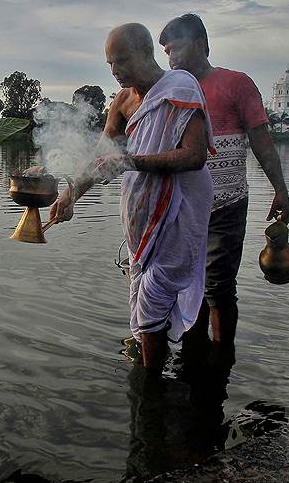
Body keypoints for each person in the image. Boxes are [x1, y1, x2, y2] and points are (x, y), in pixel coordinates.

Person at [49, 23, 214, 374]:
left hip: (179, 213)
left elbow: (194, 156)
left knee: (153, 299)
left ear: (144, 53)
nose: (115, 71)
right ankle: (155, 372)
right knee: (143, 301)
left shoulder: (180, 88)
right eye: (109, 63)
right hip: (141, 217)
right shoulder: (122, 102)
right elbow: (99, 157)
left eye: (121, 61)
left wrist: (129, 162)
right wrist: (69, 195)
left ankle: (150, 384)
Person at [159, 13, 289, 366]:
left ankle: (221, 360)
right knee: (186, 283)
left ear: (201, 43)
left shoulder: (235, 83)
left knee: (218, 287)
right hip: (181, 206)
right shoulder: (169, 90)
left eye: (176, 47)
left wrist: (280, 190)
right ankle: (193, 352)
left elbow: (262, 141)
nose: (170, 57)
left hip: (226, 203)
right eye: (165, 51)